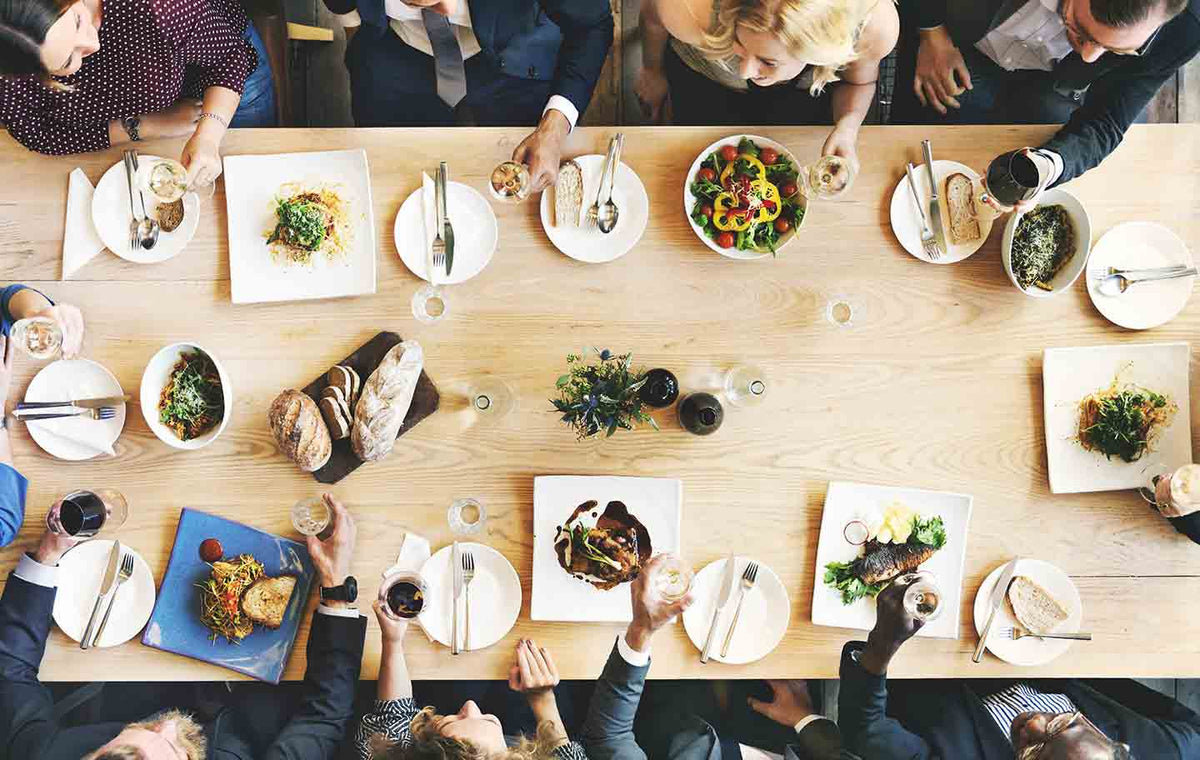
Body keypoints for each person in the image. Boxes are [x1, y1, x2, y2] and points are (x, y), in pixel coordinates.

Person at [0, 493, 368, 759]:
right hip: (250, 714)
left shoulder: (40, 753)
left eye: (138, 734)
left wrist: (49, 553)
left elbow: (10, 669)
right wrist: (336, 588)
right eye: (178, 753)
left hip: (133, 685)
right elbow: (325, 715)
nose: (169, 726)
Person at [837, 576, 1200, 758]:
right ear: (1113, 745)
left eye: (1033, 750)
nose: (1034, 723)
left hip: (917, 643)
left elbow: (865, 730)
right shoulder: (1165, 747)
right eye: (1060, 724)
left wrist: (882, 646)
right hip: (1009, 620)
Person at [892, 0, 1200, 190]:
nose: (1090, 56)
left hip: (1053, 82)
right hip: (959, 37)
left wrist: (1051, 166)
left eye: (1120, 49)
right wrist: (930, 32)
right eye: (1081, 28)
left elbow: (1107, 120)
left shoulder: (1188, 28)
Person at [580, 555, 856, 759]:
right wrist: (804, 717)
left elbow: (609, 737)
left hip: (676, 741)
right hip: (779, 742)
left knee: (673, 698)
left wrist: (640, 631)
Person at [324, 0, 613, 193]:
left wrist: (554, 128)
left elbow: (592, 26)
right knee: (386, 173)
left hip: (513, 54)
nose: (443, 7)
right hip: (396, 48)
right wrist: (355, 28)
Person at [0, 0, 278, 178]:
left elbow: (230, 57)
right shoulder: (9, 81)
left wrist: (209, 136)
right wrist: (142, 126)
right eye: (68, 60)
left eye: (78, 20)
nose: (93, 45)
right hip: (156, 108)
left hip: (216, 70)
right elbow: (37, 131)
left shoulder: (159, 8)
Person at [636, 0, 899, 173]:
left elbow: (860, 81)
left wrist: (847, 126)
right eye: (740, 45)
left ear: (820, 52)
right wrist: (652, 71)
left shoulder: (875, 28)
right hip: (704, 77)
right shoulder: (688, 6)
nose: (745, 71)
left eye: (768, 61)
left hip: (804, 93)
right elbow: (652, 19)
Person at [354, 605, 586, 758]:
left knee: (460, 684)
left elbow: (393, 715)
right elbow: (566, 753)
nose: (471, 705)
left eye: (454, 719)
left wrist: (392, 641)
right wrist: (542, 697)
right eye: (487, 720)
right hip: (523, 732)